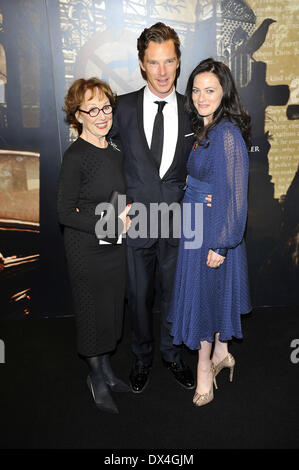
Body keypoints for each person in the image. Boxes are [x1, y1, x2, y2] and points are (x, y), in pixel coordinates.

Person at [113, 22, 203, 393]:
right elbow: (105, 162)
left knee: (173, 294)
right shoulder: (120, 108)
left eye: (169, 61)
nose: (162, 71)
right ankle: (142, 357)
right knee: (138, 295)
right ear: (141, 64)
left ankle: (171, 355)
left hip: (179, 220)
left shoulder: (193, 109)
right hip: (135, 220)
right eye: (154, 62)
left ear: (179, 62)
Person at [168, 58, 252, 407]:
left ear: (224, 93)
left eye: (210, 90)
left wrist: (222, 243)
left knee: (204, 299)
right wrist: (195, 184)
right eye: (197, 90)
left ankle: (204, 368)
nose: (202, 97)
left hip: (213, 230)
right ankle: (221, 353)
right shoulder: (205, 129)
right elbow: (209, 176)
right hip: (197, 223)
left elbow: (236, 194)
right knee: (212, 295)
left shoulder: (226, 133)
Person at [57, 78, 131, 414]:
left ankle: (106, 370)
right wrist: (109, 224)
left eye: (106, 107)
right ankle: (96, 377)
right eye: (92, 109)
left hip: (113, 246)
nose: (101, 115)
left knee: (111, 310)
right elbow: (64, 212)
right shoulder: (75, 157)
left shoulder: (114, 148)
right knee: (92, 312)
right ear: (78, 116)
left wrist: (125, 214)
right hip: (85, 249)